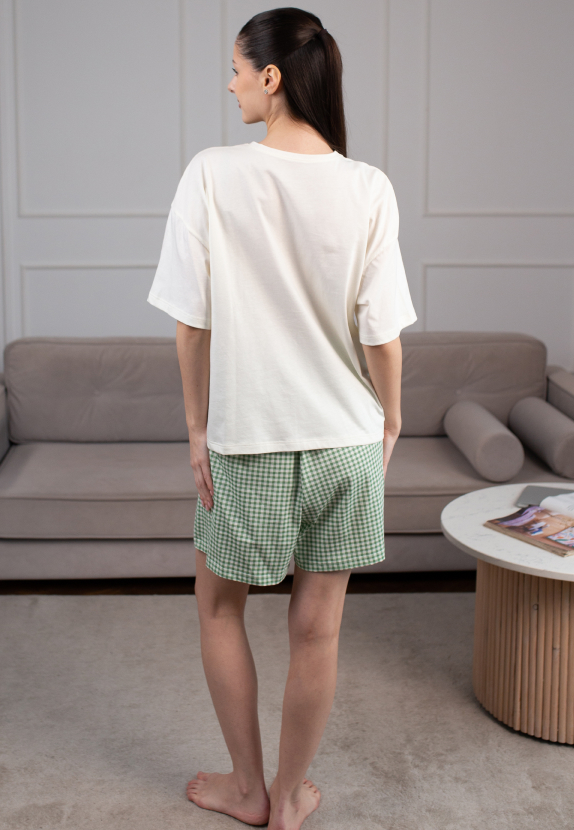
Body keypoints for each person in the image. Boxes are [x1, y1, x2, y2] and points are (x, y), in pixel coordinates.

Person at [147, 7, 417, 829]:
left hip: (250, 441)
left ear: (271, 76)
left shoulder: (212, 174)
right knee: (318, 632)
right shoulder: (368, 186)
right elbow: (382, 336)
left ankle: (248, 786)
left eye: (236, 69)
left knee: (218, 607)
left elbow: (191, 324)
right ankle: (292, 797)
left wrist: (196, 429)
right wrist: (390, 422)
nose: (229, 84)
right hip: (346, 441)